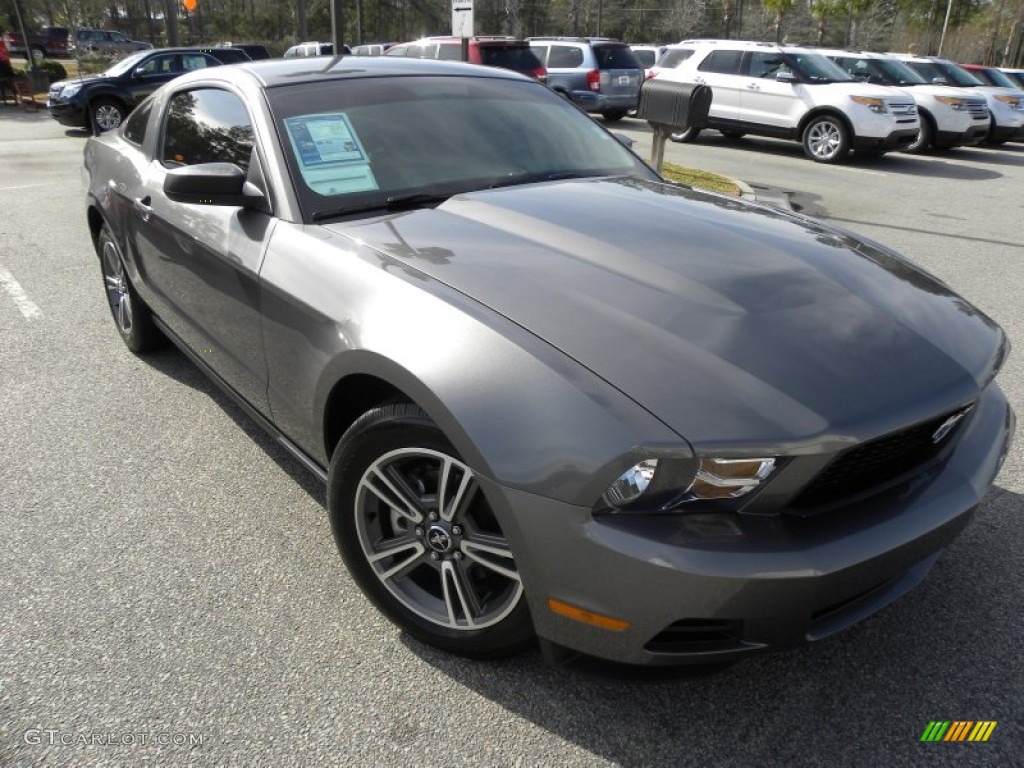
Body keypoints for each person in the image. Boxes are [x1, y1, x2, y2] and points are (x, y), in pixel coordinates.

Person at [0, 26, 18, 103]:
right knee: (10, 80)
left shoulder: (3, 41)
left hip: (3, 64)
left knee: (9, 80)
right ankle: (14, 95)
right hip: (5, 63)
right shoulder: (3, 40)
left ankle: (14, 94)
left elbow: (6, 51)